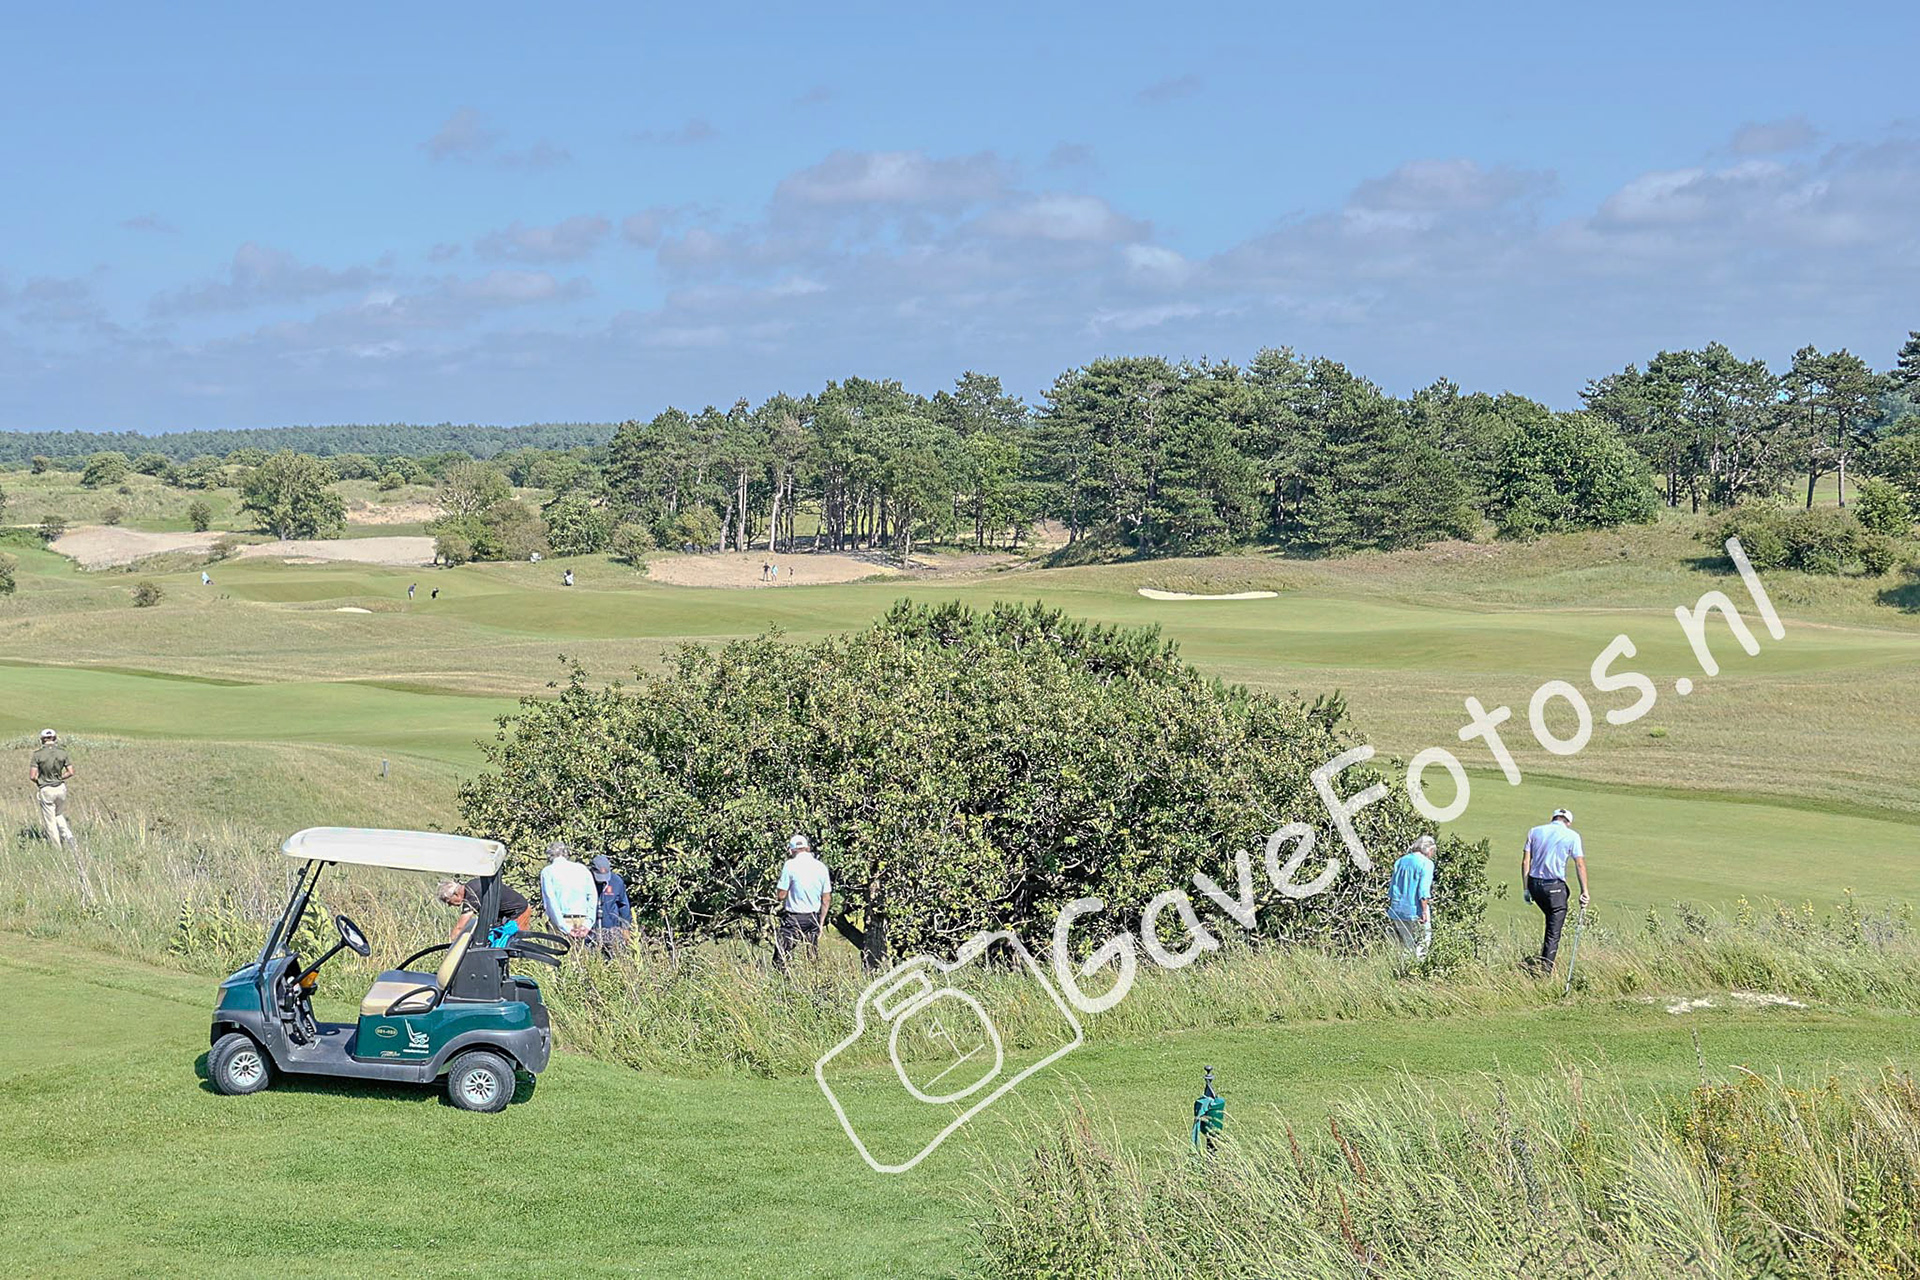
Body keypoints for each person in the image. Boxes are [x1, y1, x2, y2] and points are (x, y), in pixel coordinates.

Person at [1521, 808, 1589, 974]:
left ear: (1553, 818)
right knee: (1553, 931)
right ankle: (1545, 971)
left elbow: (1525, 862)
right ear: (1568, 822)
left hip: (1534, 885)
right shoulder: (1573, 836)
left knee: (1551, 918)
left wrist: (1526, 889)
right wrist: (1584, 891)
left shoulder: (1534, 831)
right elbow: (1580, 864)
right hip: (1554, 887)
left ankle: (1541, 962)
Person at [773, 833, 831, 968]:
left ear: (791, 850)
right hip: (813, 918)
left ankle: (784, 979)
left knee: (780, 958)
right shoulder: (821, 867)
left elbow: (781, 895)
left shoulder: (789, 865)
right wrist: (820, 922)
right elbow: (826, 899)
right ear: (808, 848)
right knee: (812, 958)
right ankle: (813, 979)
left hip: (794, 918)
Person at [1387, 834, 1436, 960]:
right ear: (1429, 850)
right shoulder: (1427, 864)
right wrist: (1424, 911)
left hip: (1397, 909)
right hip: (1415, 909)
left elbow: (1392, 888)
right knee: (1423, 942)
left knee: (1408, 945)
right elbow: (1423, 890)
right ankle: (1419, 968)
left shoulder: (1400, 861)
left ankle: (1404, 968)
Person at [539, 841, 597, 943]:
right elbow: (593, 896)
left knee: (559, 951)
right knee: (582, 952)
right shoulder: (582, 869)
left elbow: (550, 901)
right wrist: (588, 924)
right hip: (582, 920)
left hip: (561, 920)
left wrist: (564, 927)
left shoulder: (547, 872)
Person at [437, 878, 531, 940]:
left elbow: (460, 927)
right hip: (508, 914)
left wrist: (451, 945)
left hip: (518, 912)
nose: (449, 905)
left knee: (513, 945)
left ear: (456, 894)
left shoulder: (471, 895)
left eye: (448, 901)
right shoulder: (470, 885)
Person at [28, 728, 76, 849]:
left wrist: (40, 782)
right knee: (58, 814)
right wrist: (60, 778)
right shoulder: (62, 752)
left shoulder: (37, 754)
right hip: (60, 788)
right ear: (54, 738)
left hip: (46, 789)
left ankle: (57, 848)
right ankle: (68, 836)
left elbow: (32, 776)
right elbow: (70, 772)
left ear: (42, 740)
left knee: (50, 821)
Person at [589, 854, 632, 950]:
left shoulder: (617, 881)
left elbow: (624, 906)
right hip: (590, 932)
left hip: (612, 932)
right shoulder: (585, 881)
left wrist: (625, 928)